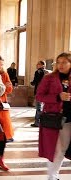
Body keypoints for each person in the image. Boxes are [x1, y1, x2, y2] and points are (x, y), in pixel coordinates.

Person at [36, 52, 71, 180]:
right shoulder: (49, 78)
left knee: (65, 148)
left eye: (64, 62)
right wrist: (57, 97)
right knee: (57, 149)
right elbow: (39, 96)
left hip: (70, 118)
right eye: (59, 62)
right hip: (55, 118)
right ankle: (52, 176)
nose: (60, 65)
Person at [30, 60, 49, 127]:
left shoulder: (40, 72)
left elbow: (37, 81)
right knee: (41, 107)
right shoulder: (46, 72)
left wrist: (32, 83)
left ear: (42, 65)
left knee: (39, 107)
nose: (37, 65)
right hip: (43, 92)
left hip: (40, 91)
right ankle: (39, 122)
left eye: (38, 64)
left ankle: (38, 123)